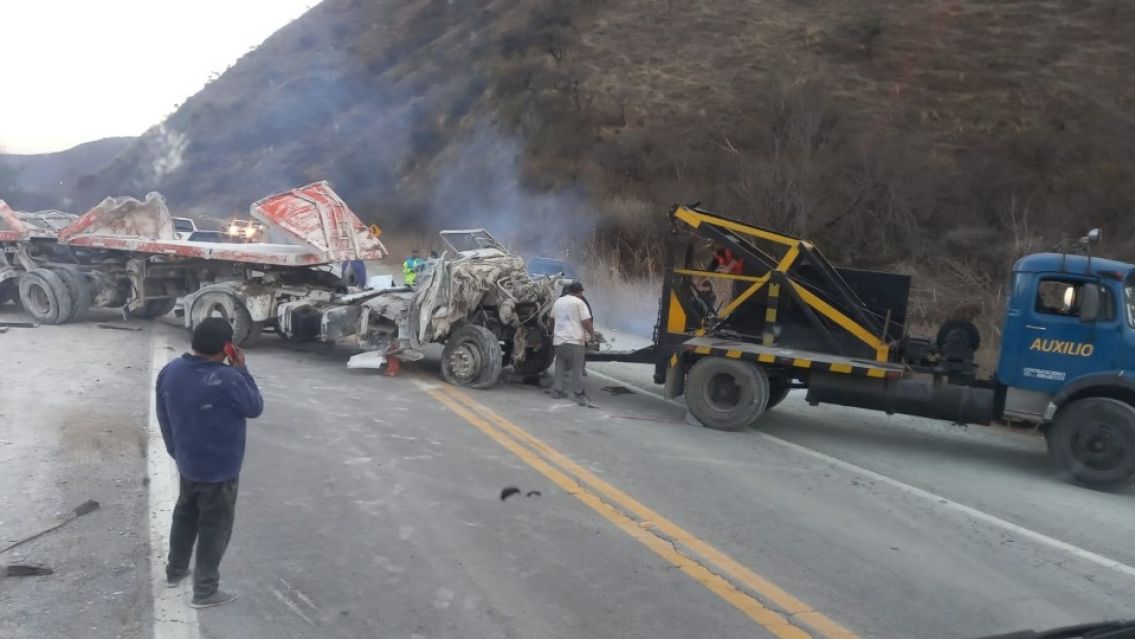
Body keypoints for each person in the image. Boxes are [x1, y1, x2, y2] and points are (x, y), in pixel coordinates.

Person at [156, 318, 264, 609]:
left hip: (188, 463)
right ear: (227, 348)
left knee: (185, 515)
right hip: (220, 470)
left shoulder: (170, 371)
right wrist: (241, 368)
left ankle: (175, 570)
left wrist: (176, 452)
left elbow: (163, 415)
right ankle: (205, 591)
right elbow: (254, 407)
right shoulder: (228, 379)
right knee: (215, 527)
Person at [548, 281, 594, 405]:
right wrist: (592, 334)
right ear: (579, 291)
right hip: (575, 341)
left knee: (560, 365)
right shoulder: (579, 303)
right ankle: (579, 394)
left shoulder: (558, 302)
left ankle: (557, 391)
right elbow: (586, 321)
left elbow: (551, 320)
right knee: (577, 368)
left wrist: (551, 332)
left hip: (559, 341)